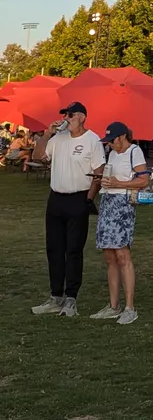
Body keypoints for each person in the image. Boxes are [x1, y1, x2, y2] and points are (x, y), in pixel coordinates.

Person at [31, 102, 105, 317]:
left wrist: (88, 199)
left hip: (78, 198)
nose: (66, 118)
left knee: (73, 250)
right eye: (64, 115)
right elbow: (38, 157)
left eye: (70, 115)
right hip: (56, 199)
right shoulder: (57, 139)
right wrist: (46, 135)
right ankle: (55, 296)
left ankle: (71, 298)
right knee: (53, 248)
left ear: (82, 117)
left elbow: (98, 173)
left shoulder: (92, 140)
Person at [90, 121, 149, 325]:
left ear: (122, 136)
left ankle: (129, 307)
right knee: (109, 255)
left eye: (112, 140)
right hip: (107, 202)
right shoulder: (113, 153)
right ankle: (113, 305)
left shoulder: (135, 152)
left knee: (122, 254)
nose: (110, 145)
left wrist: (118, 183)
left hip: (122, 204)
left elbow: (144, 180)